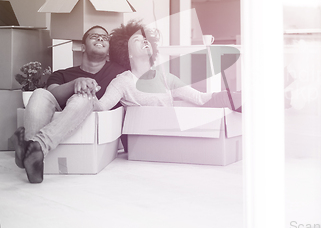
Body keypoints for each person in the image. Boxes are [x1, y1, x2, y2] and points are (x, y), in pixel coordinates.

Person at [9, 26, 126, 183]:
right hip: (64, 117)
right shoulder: (62, 74)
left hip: (94, 112)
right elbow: (52, 93)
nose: (100, 39)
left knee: (86, 96)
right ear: (82, 47)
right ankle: (34, 157)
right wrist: (75, 83)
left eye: (105, 38)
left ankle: (34, 147)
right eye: (94, 36)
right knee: (39, 93)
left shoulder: (119, 72)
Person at [92, 20, 240, 111]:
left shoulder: (165, 77)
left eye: (146, 39)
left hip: (168, 134)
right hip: (141, 141)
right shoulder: (123, 82)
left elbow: (200, 98)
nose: (145, 41)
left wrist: (235, 97)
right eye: (137, 40)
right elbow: (100, 107)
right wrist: (86, 93)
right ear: (128, 52)